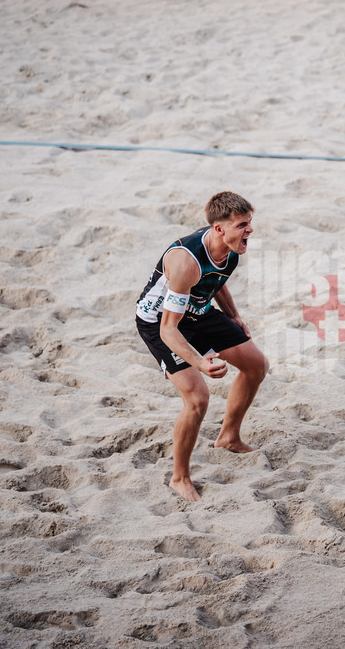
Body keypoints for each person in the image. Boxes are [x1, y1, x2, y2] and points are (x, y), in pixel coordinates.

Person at [135, 191, 269, 502]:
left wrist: (234, 316)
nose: (250, 230)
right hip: (160, 323)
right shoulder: (185, 262)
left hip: (198, 311)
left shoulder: (231, 247)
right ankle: (179, 478)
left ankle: (228, 437)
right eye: (242, 225)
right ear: (219, 229)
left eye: (250, 223)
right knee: (197, 398)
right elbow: (169, 329)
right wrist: (201, 363)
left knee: (255, 365)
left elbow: (216, 280)